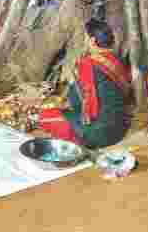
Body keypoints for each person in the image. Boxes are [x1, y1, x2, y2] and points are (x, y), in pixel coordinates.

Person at [39, 19, 131, 148]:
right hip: (120, 129)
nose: (85, 41)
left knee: (45, 117)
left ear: (92, 40)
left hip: (100, 134)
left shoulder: (88, 64)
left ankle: (78, 141)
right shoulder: (118, 59)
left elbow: (78, 101)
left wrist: (62, 102)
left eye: (85, 37)